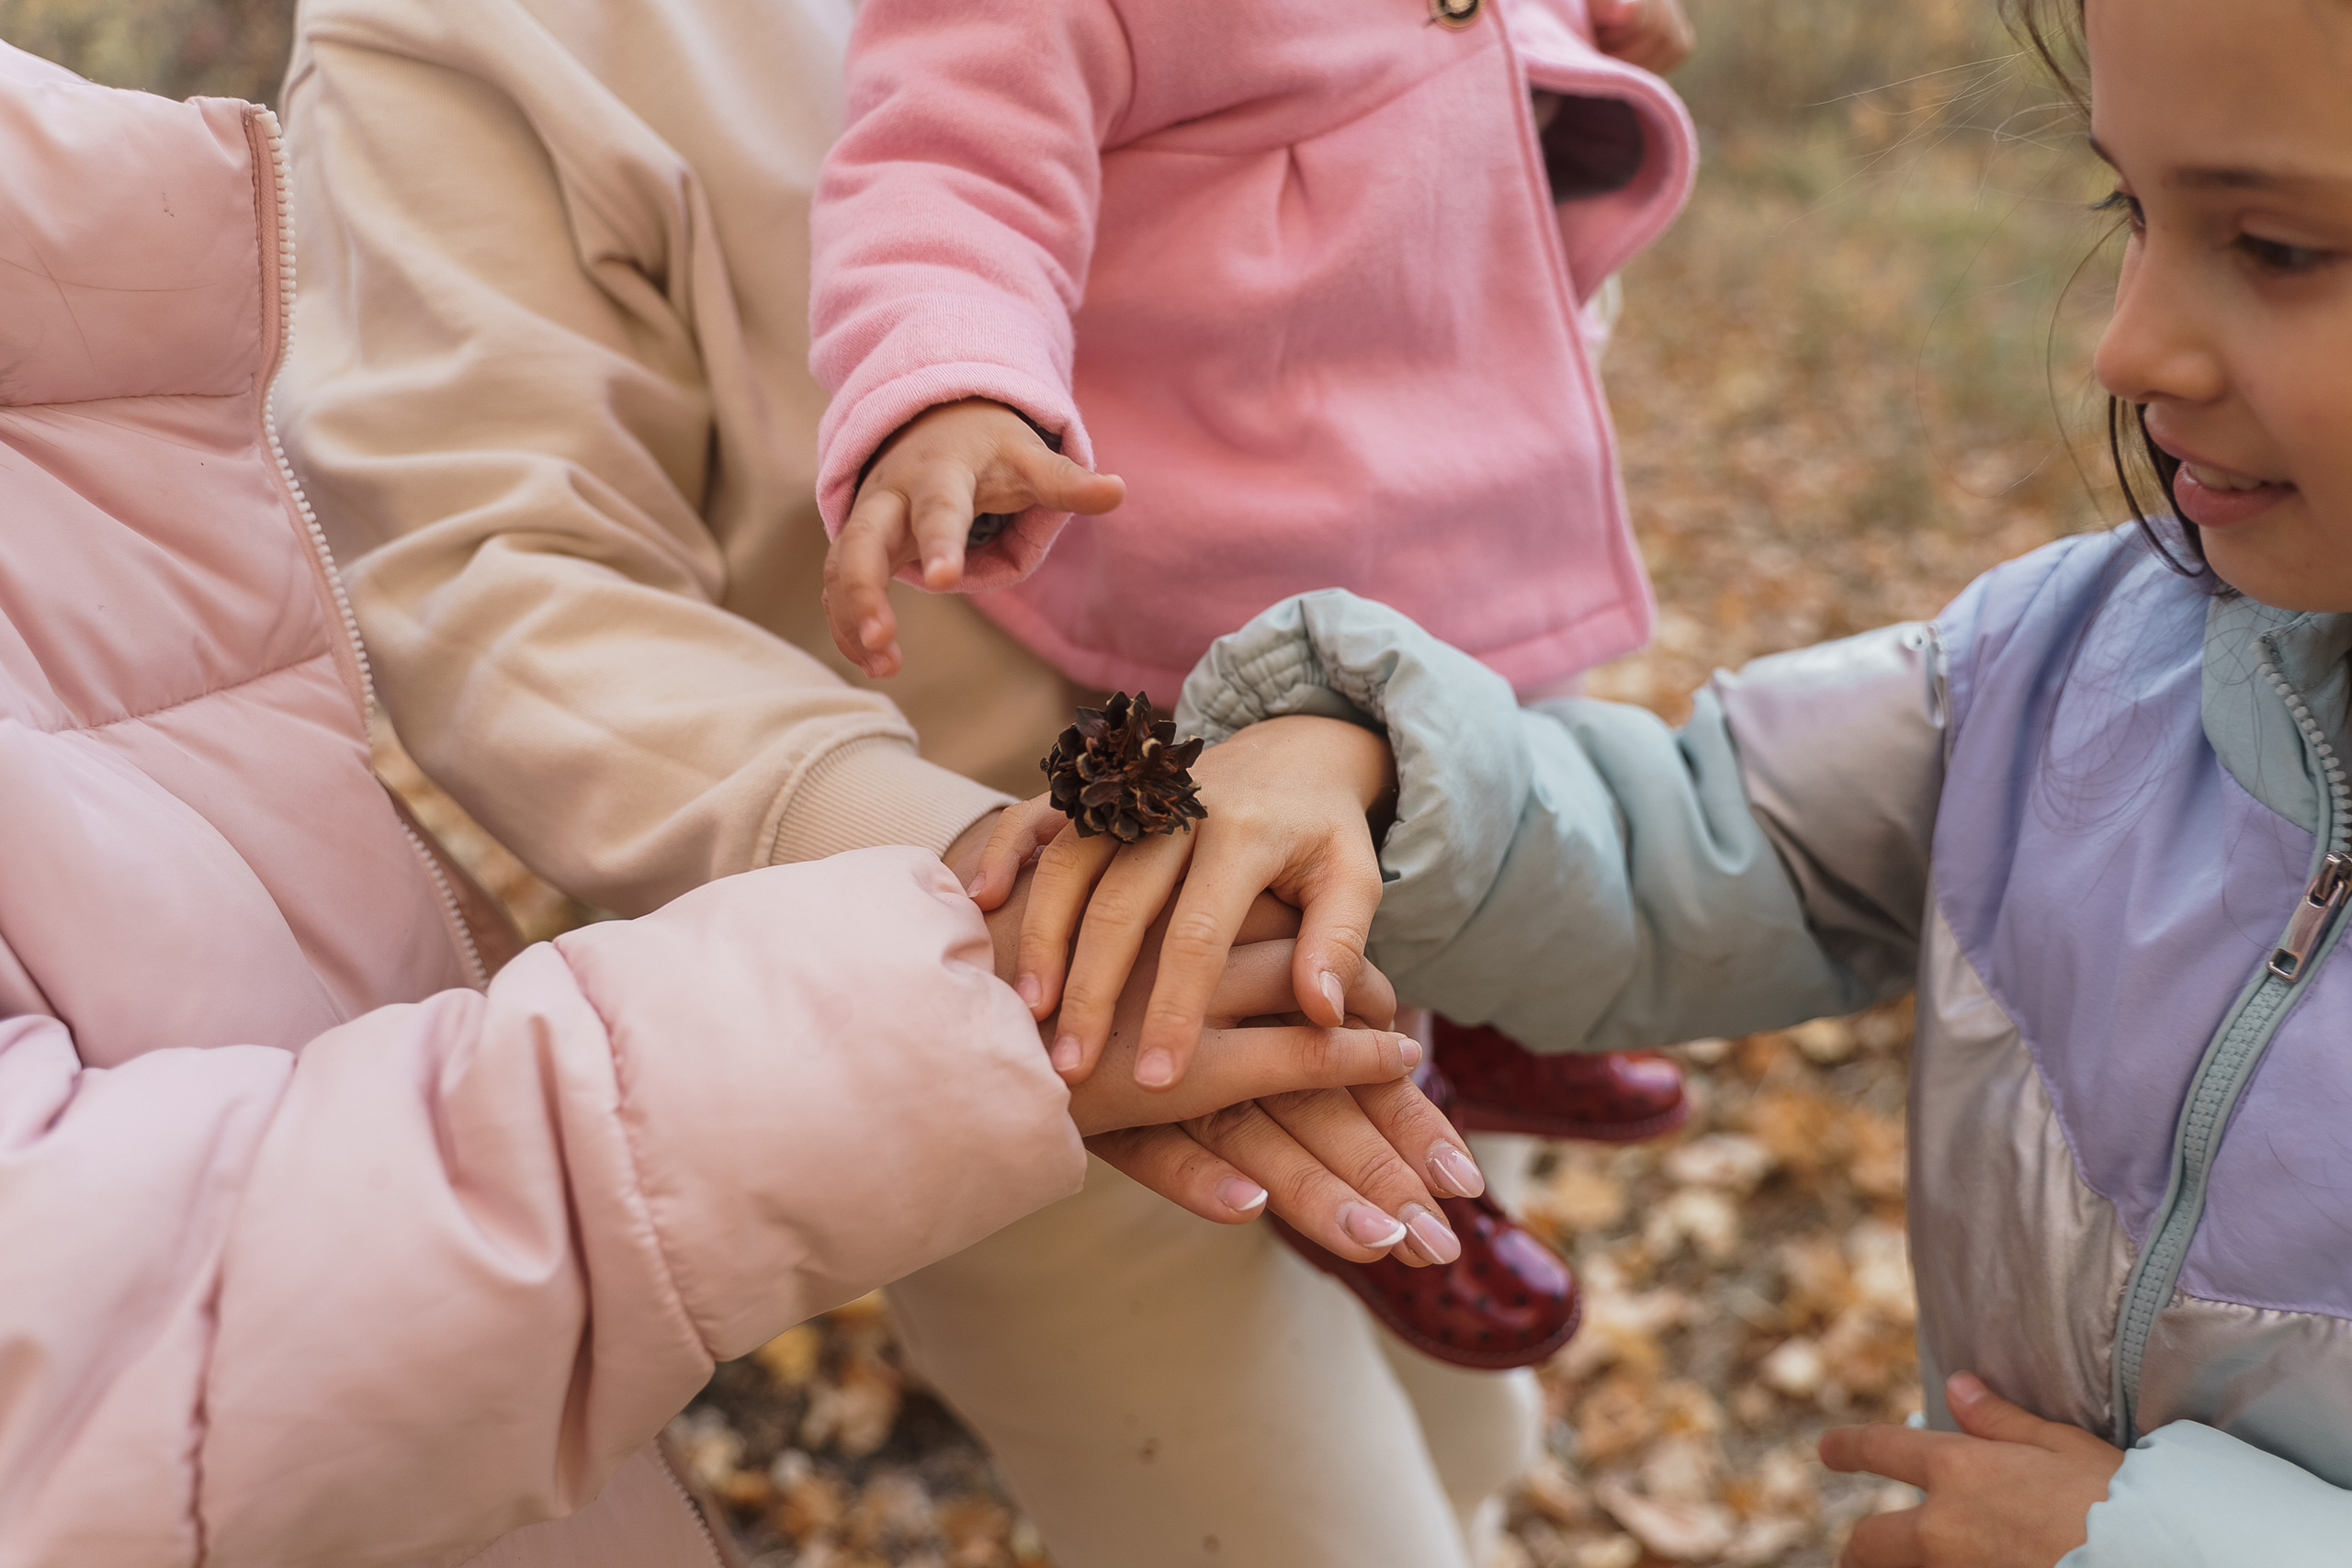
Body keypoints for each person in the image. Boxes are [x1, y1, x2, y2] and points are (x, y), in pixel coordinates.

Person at [0, 40, 1455, 1567]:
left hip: (1386, 834)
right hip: (1034, 1010)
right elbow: (499, 577)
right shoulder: (461, 45)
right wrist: (937, 858)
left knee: (1469, 1425)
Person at [1166, 0, 2352, 1561]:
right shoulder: (2062, 665)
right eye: (2130, 209)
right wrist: (1376, 769)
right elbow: (1713, 840)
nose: (2127, 344)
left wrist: (2158, 1544)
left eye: (2272, 245)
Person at [804, 0, 1702, 1260]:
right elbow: (952, 170)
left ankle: (1502, 1011)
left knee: (1500, 743)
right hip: (1255, 508)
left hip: (1474, 441)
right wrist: (948, 384)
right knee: (1272, 888)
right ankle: (1368, 1160)